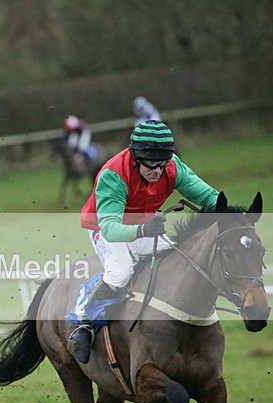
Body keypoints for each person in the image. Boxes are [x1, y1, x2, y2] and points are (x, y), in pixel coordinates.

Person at [67, 120, 220, 364]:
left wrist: (230, 212)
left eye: (163, 162)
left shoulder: (171, 167)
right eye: (151, 162)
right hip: (104, 227)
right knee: (120, 271)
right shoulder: (113, 174)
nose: (157, 170)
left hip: (143, 226)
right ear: (136, 157)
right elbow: (111, 228)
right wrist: (143, 229)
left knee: (177, 256)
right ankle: (84, 320)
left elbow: (207, 195)